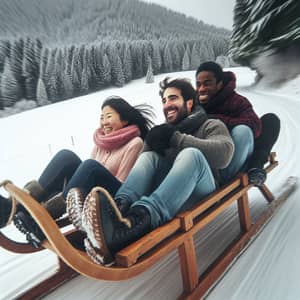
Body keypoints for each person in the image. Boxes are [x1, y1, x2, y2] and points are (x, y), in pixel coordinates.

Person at [80, 77, 234, 265]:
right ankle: (118, 212)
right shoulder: (164, 131)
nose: (167, 104)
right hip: (174, 195)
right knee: (149, 158)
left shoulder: (210, 124)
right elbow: (147, 168)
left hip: (203, 189)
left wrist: (177, 138)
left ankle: (139, 222)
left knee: (191, 154)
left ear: (189, 102)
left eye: (173, 98)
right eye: (164, 100)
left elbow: (225, 155)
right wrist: (150, 144)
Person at [0, 96, 154, 247]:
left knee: (90, 166)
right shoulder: (100, 145)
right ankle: (17, 206)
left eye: (108, 116)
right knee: (66, 156)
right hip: (91, 194)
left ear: (124, 120)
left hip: (114, 201)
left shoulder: (135, 143)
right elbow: (86, 175)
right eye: (101, 117)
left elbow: (124, 186)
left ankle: (43, 220)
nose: (103, 122)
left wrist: (92, 173)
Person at [192, 61, 280, 185]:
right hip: (213, 162)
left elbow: (254, 124)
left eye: (207, 84)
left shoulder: (236, 101)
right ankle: (253, 166)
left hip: (237, 152)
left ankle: (254, 165)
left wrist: (218, 119)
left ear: (219, 84)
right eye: (198, 84)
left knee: (265, 122)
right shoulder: (194, 105)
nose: (201, 89)